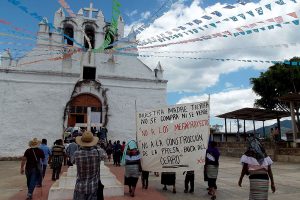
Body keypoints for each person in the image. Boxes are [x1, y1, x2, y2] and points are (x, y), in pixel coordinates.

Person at [238, 135, 276, 200]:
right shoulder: (265, 155)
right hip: (265, 179)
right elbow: (269, 170)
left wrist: (240, 179)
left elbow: (244, 169)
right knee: (263, 197)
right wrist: (272, 183)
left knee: (254, 197)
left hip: (254, 179)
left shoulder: (248, 154)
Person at [73, 131, 107, 200]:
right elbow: (105, 157)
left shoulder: (76, 154)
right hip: (93, 187)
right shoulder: (98, 152)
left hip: (80, 187)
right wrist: (96, 146)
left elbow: (72, 161)